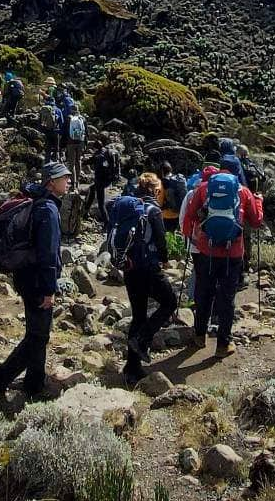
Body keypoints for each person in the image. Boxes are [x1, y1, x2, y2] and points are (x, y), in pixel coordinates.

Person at [0, 161, 66, 407]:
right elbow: (48, 253)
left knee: (37, 333)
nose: (68, 181)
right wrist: (50, 288)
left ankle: (34, 383)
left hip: (25, 276)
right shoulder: (48, 209)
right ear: (51, 182)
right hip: (38, 281)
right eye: (64, 177)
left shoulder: (38, 203)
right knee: (37, 337)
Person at [181, 157, 264, 359]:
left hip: (206, 251)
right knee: (227, 298)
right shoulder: (243, 191)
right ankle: (223, 345)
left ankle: (199, 336)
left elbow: (190, 216)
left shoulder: (203, 188)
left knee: (204, 293)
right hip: (232, 254)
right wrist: (259, 201)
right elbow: (256, 221)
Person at [110, 173, 177, 383]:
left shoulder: (130, 207)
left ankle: (132, 369)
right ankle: (143, 340)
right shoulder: (153, 210)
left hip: (130, 269)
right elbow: (160, 240)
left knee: (138, 315)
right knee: (169, 302)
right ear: (156, 190)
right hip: (148, 268)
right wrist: (165, 260)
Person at [89, 137, 123, 222]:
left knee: (101, 204)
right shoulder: (107, 152)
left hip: (101, 180)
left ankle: (106, 222)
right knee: (92, 188)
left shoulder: (99, 156)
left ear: (96, 148)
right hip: (108, 179)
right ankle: (86, 209)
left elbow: (90, 161)